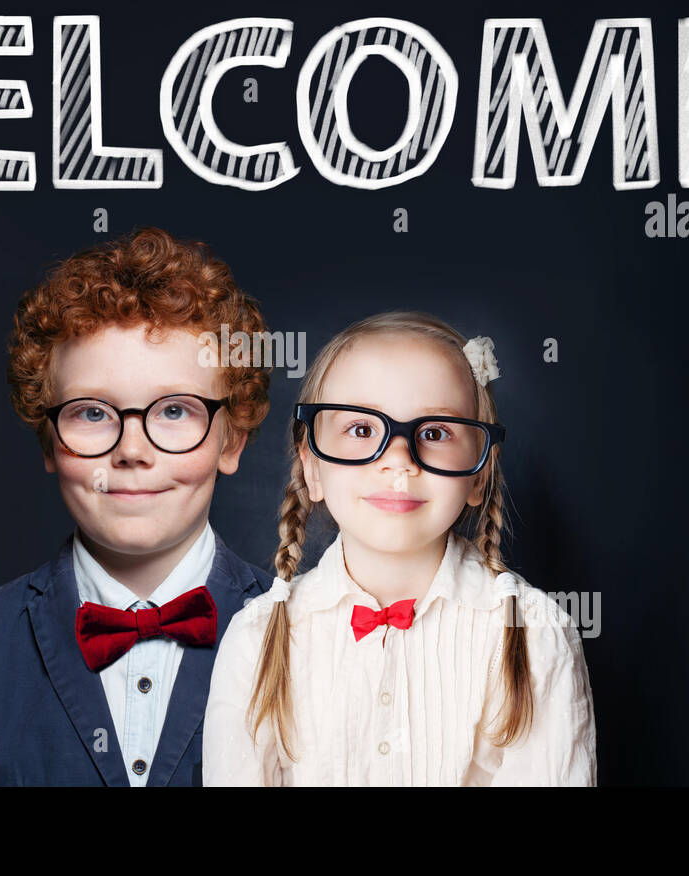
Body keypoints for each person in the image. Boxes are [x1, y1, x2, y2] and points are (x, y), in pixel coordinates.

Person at [0, 226, 274, 785]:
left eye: (174, 411)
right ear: (49, 441)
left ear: (231, 440)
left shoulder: (299, 631)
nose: (132, 451)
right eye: (92, 412)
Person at [202, 311, 597, 785]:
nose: (399, 461)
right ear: (312, 468)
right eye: (362, 430)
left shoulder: (533, 634)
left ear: (479, 473)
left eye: (433, 433)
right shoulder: (256, 640)